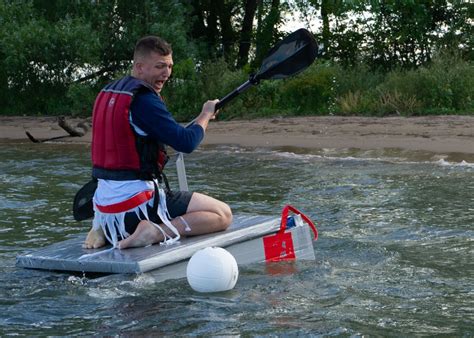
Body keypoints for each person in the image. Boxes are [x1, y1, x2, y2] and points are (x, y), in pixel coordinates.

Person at [83, 35, 232, 250]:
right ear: (139, 67)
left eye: (170, 66)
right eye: (160, 66)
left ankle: (102, 228)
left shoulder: (110, 92)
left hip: (104, 210)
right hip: (134, 210)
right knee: (222, 214)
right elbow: (186, 143)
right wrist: (205, 115)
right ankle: (153, 232)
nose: (167, 73)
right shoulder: (144, 100)